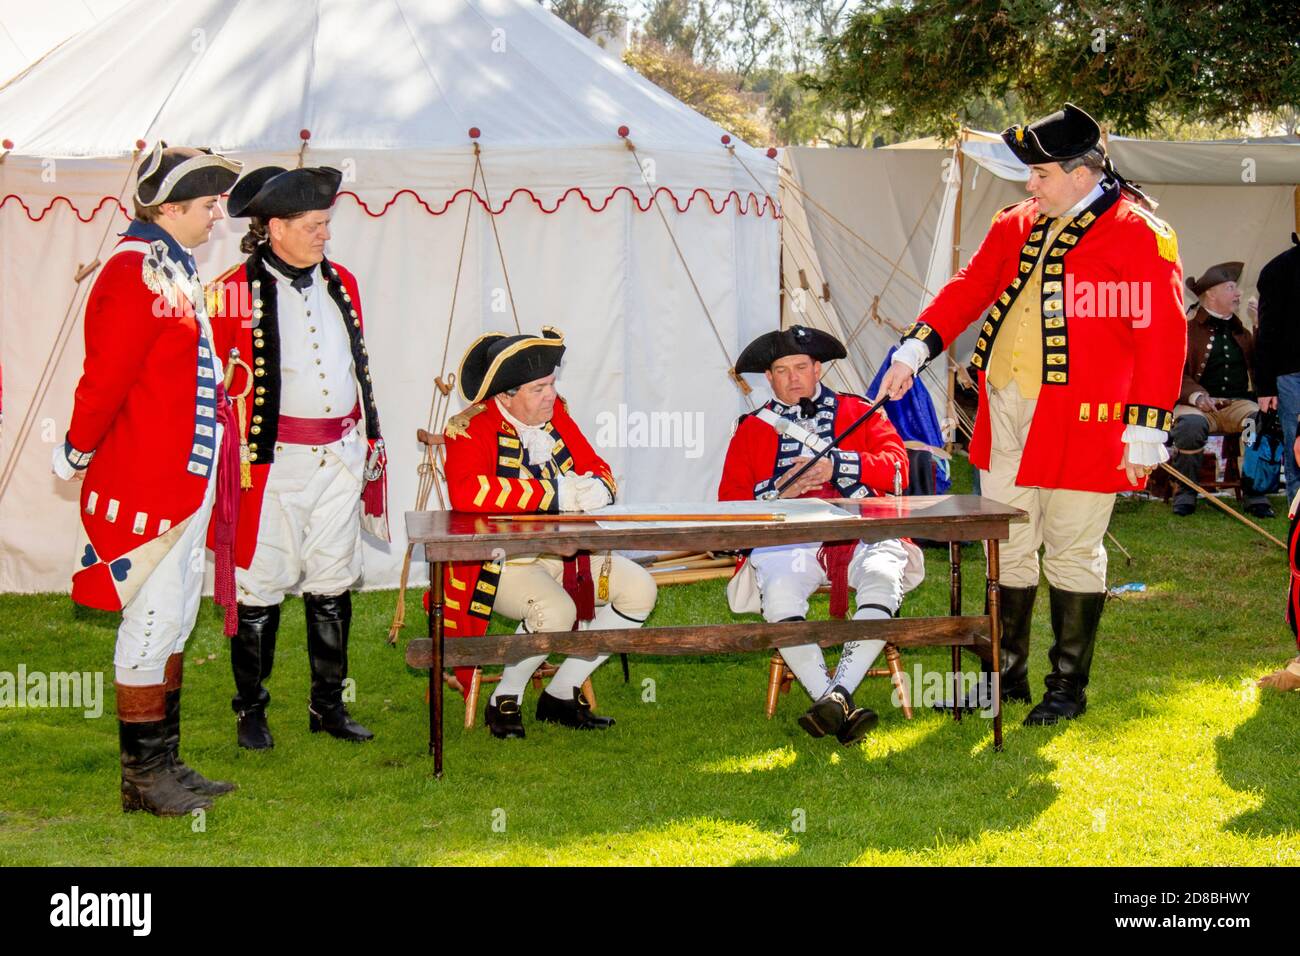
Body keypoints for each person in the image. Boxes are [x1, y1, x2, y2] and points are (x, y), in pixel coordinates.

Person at [877, 103, 1186, 725]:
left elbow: (1163, 332)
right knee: (1010, 545)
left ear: (1081, 172)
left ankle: (1066, 689)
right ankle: (1004, 679)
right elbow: (971, 285)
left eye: (1041, 173)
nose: (1030, 184)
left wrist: (1148, 423)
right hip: (1005, 408)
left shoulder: (1137, 232)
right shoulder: (1016, 222)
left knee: (1072, 547)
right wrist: (918, 343)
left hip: (1090, 421)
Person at [52, 143, 242, 814]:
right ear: (167, 208)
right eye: (208, 204)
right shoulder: (130, 271)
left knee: (178, 615)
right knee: (155, 617)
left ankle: (166, 761)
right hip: (148, 483)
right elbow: (105, 378)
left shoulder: (172, 266)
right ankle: (142, 779)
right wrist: (77, 449)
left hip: (184, 480)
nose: (218, 214)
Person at [210, 165, 388, 749]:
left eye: (326, 224)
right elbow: (212, 386)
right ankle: (251, 711)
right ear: (275, 227)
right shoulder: (230, 292)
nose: (324, 235)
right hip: (272, 463)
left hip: (339, 456)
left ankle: (327, 707)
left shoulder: (345, 284)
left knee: (332, 582)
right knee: (259, 586)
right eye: (314, 225)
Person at [441, 327, 658, 739]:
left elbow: (599, 467)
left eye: (552, 384)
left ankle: (561, 692)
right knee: (557, 612)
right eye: (539, 388)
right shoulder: (470, 428)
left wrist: (598, 486)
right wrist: (555, 492)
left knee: (641, 590)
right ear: (505, 395)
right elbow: (469, 493)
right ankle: (505, 697)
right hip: (504, 563)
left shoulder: (556, 415)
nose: (551, 396)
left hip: (569, 555)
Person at [718, 326, 924, 744]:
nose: (793, 378)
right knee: (778, 593)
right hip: (789, 539)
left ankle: (834, 696)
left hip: (862, 532)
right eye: (781, 370)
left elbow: (898, 469)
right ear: (769, 379)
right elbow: (730, 504)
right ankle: (833, 699)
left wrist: (839, 466)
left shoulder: (860, 410)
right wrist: (780, 490)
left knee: (883, 578)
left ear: (818, 369)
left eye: (801, 367)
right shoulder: (753, 429)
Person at [1167, 261, 1274, 518]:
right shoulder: (1186, 330)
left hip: (1236, 404)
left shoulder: (1242, 332)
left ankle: (1254, 492)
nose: (1238, 294)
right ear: (1211, 294)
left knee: (1255, 423)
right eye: (1230, 288)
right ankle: (1186, 491)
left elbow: (1263, 365)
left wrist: (1260, 325)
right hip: (1195, 405)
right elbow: (1173, 373)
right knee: (1190, 426)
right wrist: (1197, 395)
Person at [1254, 235, 1300, 505]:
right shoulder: (1279, 269)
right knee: (1298, 451)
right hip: (1293, 376)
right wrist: (1265, 386)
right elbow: (1267, 333)